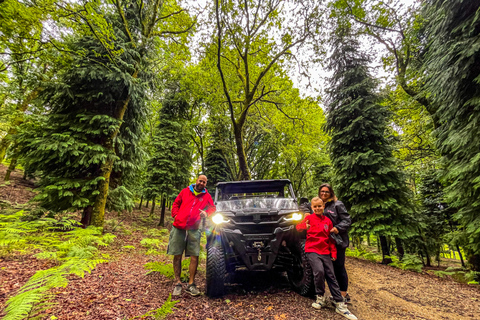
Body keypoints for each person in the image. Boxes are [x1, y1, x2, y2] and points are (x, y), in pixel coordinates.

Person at [296, 197, 357, 320]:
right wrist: (304, 226)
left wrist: (333, 253)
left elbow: (330, 238)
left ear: (323, 206)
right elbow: (298, 227)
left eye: (320, 206)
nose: (317, 208)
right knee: (319, 271)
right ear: (312, 208)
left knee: (331, 275)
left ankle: (340, 304)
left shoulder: (328, 221)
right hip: (311, 250)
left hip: (325, 251)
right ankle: (320, 297)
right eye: (315, 207)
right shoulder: (309, 218)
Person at [167, 174, 216, 296]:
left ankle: (191, 284)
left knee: (194, 255)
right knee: (177, 254)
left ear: (206, 184)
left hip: (194, 227)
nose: (202, 183)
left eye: (204, 182)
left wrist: (206, 213)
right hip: (179, 226)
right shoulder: (185, 191)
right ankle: (178, 283)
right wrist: (176, 215)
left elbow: (212, 208)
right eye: (200, 181)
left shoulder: (206, 196)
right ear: (196, 181)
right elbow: (176, 204)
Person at [318, 183, 352, 304]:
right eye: (322, 191)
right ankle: (336, 294)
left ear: (331, 193)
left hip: (338, 241)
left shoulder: (338, 204)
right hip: (326, 242)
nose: (324, 194)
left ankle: (343, 294)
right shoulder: (321, 205)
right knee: (330, 269)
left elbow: (347, 220)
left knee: (339, 267)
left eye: (326, 192)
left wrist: (338, 228)